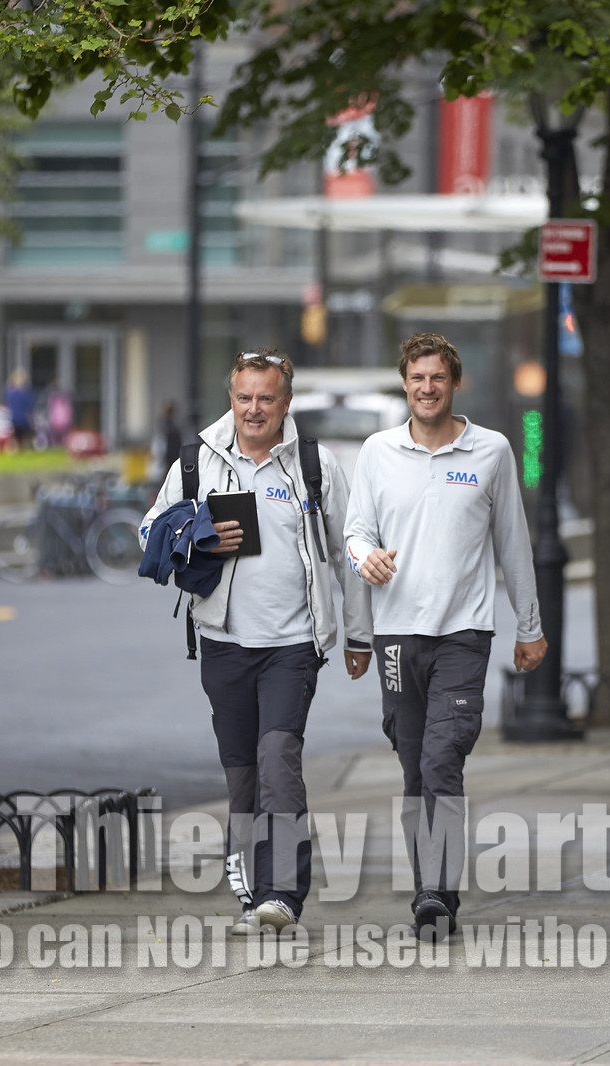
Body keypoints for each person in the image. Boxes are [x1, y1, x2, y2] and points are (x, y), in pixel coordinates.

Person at [140, 349, 372, 932]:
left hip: (294, 643)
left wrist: (358, 635)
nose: (254, 409)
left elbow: (351, 549)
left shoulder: (313, 465)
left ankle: (284, 894)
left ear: (286, 403)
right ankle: (249, 887)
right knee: (242, 774)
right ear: (232, 398)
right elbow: (150, 528)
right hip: (222, 640)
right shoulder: (199, 460)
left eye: (266, 398)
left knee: (277, 759)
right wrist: (198, 534)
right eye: (244, 397)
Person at [342, 331, 546, 936]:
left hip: (464, 633)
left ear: (454, 383)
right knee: (413, 767)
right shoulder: (377, 452)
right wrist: (364, 560)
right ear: (403, 384)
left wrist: (529, 627)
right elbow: (354, 534)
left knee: (442, 758)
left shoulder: (494, 451)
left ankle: (432, 891)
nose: (426, 388)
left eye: (437, 378)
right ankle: (435, 885)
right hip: (397, 637)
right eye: (416, 378)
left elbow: (514, 544)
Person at [5, 369, 34, 450]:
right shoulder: (25, 393)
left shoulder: (10, 393)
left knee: (17, 438)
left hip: (14, 418)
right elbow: (29, 407)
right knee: (26, 437)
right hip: (23, 418)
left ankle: (18, 450)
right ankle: (24, 450)